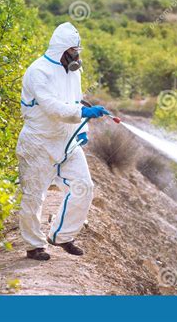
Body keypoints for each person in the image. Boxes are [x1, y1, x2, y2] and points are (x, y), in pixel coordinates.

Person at [16, 22, 109, 261]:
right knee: (34, 196)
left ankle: (61, 236)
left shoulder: (73, 71)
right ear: (62, 50)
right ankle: (34, 245)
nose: (77, 56)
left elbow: (75, 101)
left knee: (84, 187)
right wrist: (83, 114)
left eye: (78, 51)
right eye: (73, 51)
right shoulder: (38, 72)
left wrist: (82, 128)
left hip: (67, 141)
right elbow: (53, 108)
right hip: (38, 143)